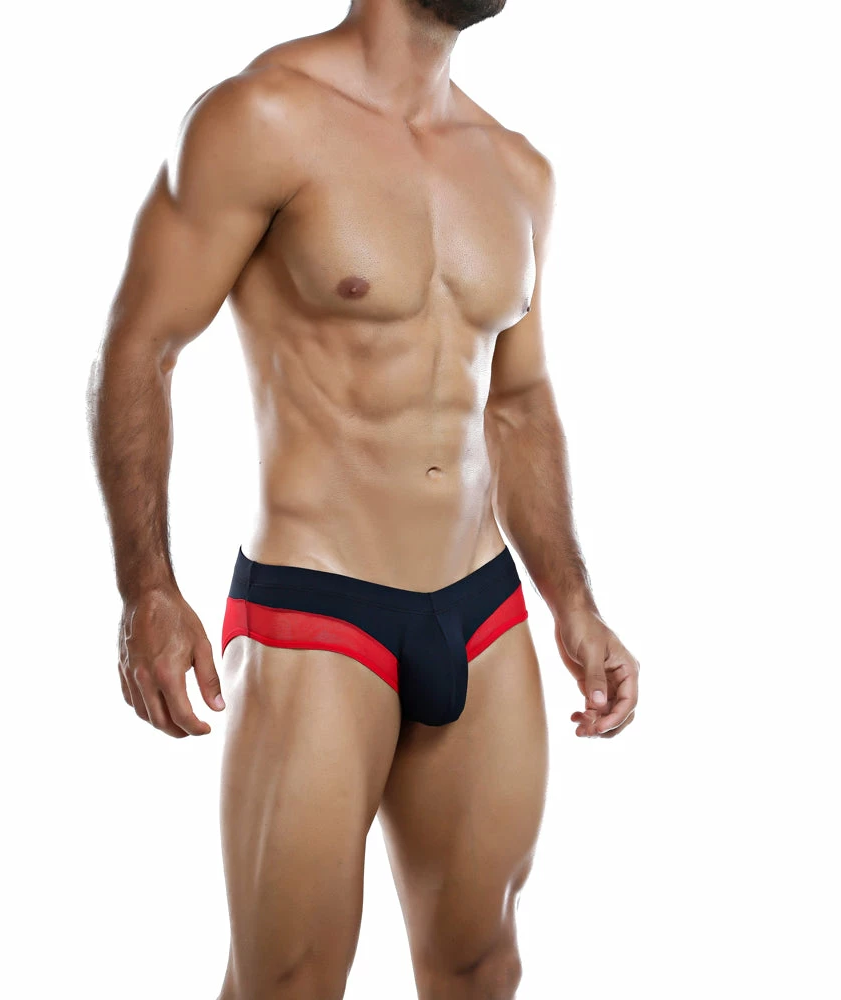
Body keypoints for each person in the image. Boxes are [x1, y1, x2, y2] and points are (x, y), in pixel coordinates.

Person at [87, 0, 639, 996]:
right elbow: (139, 346)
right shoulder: (260, 118)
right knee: (289, 982)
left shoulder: (517, 169)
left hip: (481, 610)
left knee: (480, 966)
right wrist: (146, 588)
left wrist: (575, 601)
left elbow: (517, 405)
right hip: (317, 611)